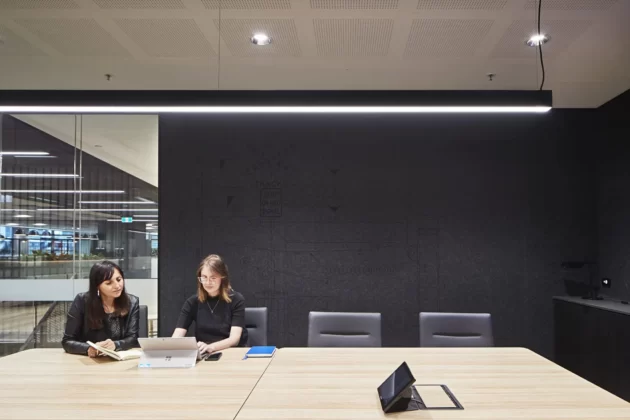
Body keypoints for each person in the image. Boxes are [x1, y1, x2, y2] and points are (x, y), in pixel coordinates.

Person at [172, 254, 248, 354]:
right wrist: (171, 346)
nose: (208, 282)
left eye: (213, 278)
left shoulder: (236, 300)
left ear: (222, 278)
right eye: (204, 277)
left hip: (231, 352)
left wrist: (211, 347)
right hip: (204, 352)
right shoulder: (192, 302)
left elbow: (234, 339)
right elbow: (178, 334)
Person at [62, 261, 140, 357]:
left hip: (119, 360)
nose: (117, 286)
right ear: (97, 286)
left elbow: (133, 338)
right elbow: (67, 341)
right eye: (109, 283)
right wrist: (88, 349)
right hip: (89, 361)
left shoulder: (132, 302)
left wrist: (116, 345)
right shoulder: (82, 301)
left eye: (119, 279)